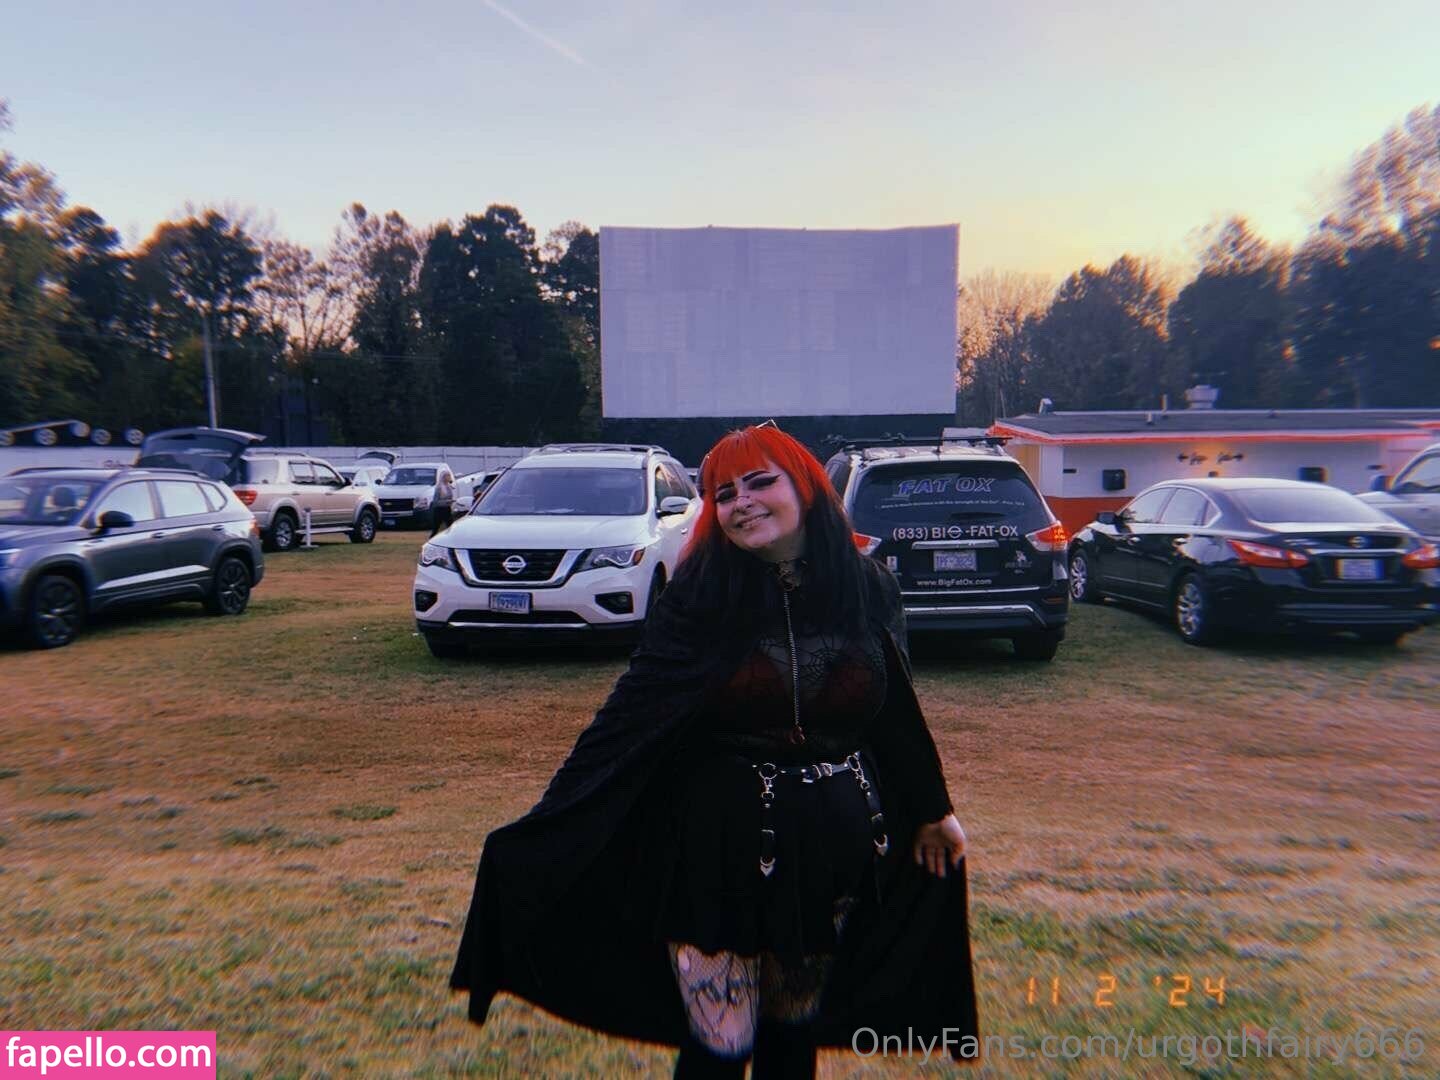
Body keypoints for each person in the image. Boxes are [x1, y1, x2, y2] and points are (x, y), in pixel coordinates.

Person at [451, 424, 979, 1077]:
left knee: (794, 1030)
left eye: (760, 483)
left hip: (831, 846)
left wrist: (932, 807)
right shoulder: (700, 596)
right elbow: (628, 716)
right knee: (721, 1044)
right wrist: (547, 824)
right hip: (717, 844)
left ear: (805, 488)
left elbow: (893, 704)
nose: (742, 503)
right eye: (724, 494)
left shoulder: (867, 585)